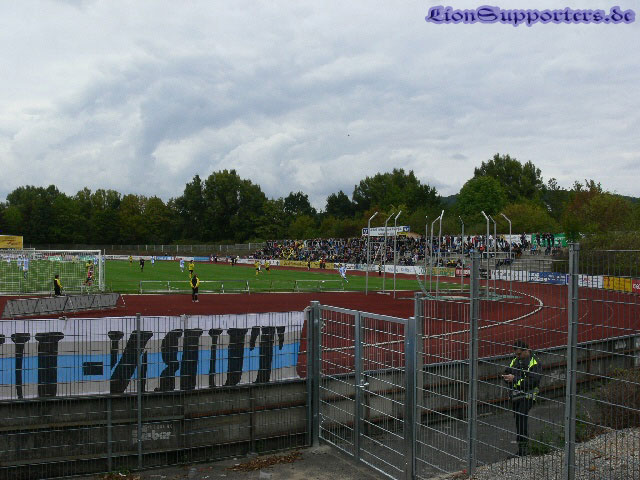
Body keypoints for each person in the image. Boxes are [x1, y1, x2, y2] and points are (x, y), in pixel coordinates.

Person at [503, 340, 542, 457]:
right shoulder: (516, 360)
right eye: (516, 354)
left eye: (519, 354)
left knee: (521, 417)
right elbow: (507, 372)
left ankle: (523, 449)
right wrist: (508, 378)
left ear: (527, 350)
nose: (517, 356)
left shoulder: (534, 363)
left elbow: (533, 382)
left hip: (529, 395)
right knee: (518, 419)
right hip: (516, 395)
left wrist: (515, 379)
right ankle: (522, 448)